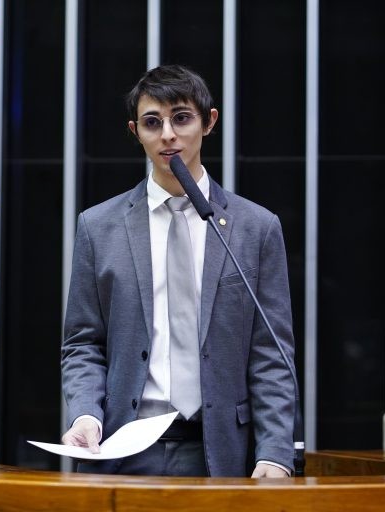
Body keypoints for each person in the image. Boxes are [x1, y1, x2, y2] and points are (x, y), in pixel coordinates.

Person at [61, 64, 296, 478]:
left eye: (181, 118)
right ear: (136, 132)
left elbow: (271, 354)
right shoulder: (98, 226)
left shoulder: (255, 228)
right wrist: (84, 414)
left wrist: (274, 453)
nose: (168, 134)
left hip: (220, 451)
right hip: (122, 450)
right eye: (153, 123)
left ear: (209, 122)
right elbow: (83, 343)